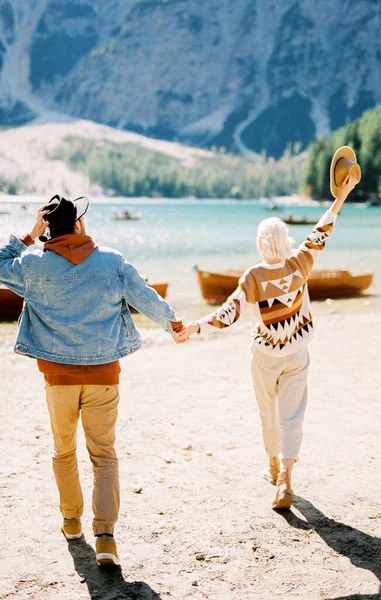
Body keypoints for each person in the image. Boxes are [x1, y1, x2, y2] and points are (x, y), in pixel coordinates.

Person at [0, 194, 186, 566]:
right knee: (104, 456)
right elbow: (145, 297)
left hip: (57, 378)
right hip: (104, 375)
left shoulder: (33, 264)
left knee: (63, 451)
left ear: (48, 228)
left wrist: (29, 233)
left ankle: (72, 523)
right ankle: (105, 539)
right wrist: (175, 326)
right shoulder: (112, 261)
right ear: (80, 225)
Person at [178, 148, 360, 510]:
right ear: (286, 240)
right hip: (297, 351)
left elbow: (227, 315)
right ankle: (287, 482)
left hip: (265, 356)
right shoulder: (301, 262)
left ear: (262, 244)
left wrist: (194, 328)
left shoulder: (253, 277)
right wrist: (340, 198)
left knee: (269, 412)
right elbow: (322, 231)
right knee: (293, 413)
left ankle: (274, 466)